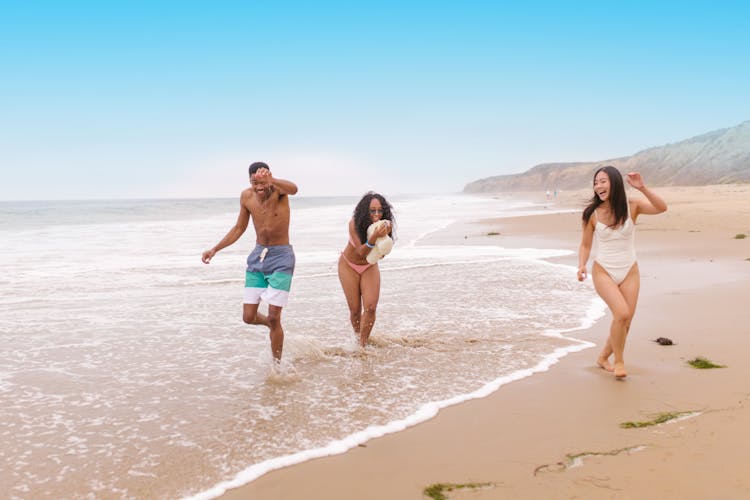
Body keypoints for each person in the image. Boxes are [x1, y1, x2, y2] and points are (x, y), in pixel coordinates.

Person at [202, 162, 298, 363]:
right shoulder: (246, 196)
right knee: (248, 316)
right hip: (258, 257)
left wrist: (272, 180)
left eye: (262, 182)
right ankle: (273, 326)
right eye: (255, 182)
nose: (259, 187)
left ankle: (277, 365)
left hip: (282, 257)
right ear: (250, 181)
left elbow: (294, 189)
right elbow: (239, 228)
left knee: (274, 316)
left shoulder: (279, 191)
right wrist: (215, 249)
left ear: (269, 178)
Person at [577, 166, 667, 379]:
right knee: (622, 314)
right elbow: (585, 245)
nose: (598, 186)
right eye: (596, 182)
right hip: (604, 271)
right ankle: (618, 361)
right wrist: (582, 265)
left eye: (603, 181)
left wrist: (642, 188)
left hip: (629, 271)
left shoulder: (632, 206)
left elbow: (661, 208)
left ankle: (602, 358)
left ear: (615, 183)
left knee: (625, 322)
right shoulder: (591, 214)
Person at [338, 192, 396, 348]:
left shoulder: (385, 225)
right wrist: (372, 238)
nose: (376, 215)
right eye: (372, 211)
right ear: (365, 211)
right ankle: (358, 339)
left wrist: (383, 238)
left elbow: (383, 251)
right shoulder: (354, 224)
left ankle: (362, 345)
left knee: (370, 307)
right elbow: (360, 252)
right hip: (348, 265)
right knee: (355, 310)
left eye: (380, 211)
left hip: (369, 266)